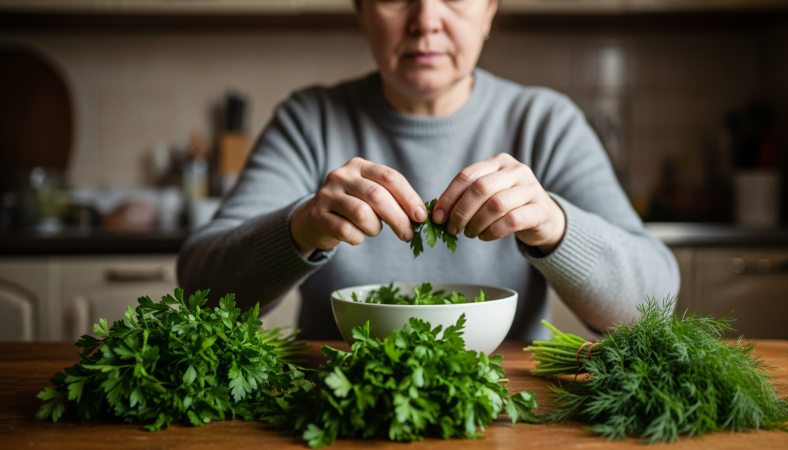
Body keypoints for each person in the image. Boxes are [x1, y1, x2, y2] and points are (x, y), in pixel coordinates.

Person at [177, 0, 680, 341]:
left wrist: (556, 226)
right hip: (336, 407)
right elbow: (201, 286)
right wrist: (300, 227)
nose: (425, 20)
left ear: (489, 10)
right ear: (361, 11)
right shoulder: (308, 122)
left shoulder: (545, 123)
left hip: (503, 409)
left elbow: (653, 301)